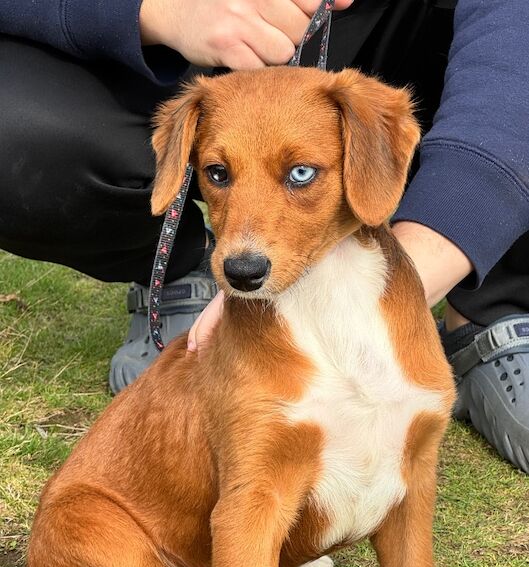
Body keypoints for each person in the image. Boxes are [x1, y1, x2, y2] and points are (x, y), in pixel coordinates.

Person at [1, 0, 529, 472]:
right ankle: (175, 266)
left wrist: (404, 284)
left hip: (401, 43)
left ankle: (487, 304)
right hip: (150, 70)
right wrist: (154, 11)